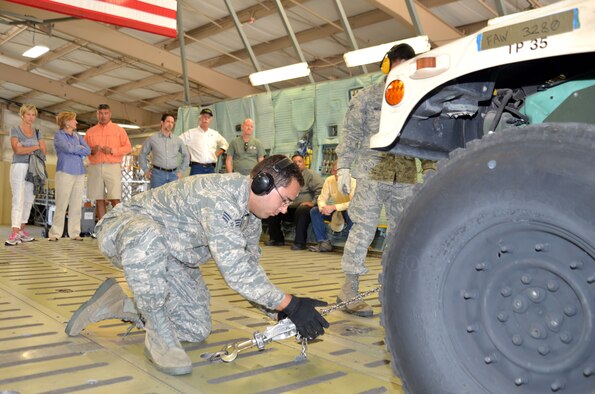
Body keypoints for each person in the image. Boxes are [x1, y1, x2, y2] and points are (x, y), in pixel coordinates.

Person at [64, 155, 329, 376]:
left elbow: (249, 270)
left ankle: (119, 304)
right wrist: (290, 303)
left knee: (195, 328)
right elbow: (235, 271)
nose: (285, 210)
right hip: (125, 234)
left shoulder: (251, 220)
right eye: (284, 200)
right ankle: (156, 331)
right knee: (147, 235)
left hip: (173, 256)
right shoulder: (219, 198)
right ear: (262, 184)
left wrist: (281, 310)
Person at [335, 44, 435, 317]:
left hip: (405, 175)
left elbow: (425, 138)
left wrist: (428, 168)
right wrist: (343, 166)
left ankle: (393, 288)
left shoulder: (417, 98)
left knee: (401, 233)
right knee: (363, 230)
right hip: (371, 172)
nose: (400, 68)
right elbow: (350, 134)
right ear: (387, 65)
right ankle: (349, 290)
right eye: (397, 63)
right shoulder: (367, 97)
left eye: (406, 63)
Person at [5, 103, 47, 246]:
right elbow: (17, 150)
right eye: (28, 114)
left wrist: (27, 147)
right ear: (22, 115)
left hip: (34, 169)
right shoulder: (15, 130)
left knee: (29, 199)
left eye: (33, 114)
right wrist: (35, 147)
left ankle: (22, 231)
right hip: (19, 166)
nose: (31, 117)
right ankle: (14, 233)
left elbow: (43, 151)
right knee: (18, 199)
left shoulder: (37, 132)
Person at [47, 112, 91, 242]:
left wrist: (75, 148)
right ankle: (55, 233)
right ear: (66, 122)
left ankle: (74, 232)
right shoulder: (58, 135)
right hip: (65, 172)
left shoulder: (77, 136)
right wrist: (79, 148)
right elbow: (67, 148)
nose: (76, 122)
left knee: (76, 204)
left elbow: (88, 150)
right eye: (74, 120)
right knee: (61, 203)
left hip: (79, 172)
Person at [265, 153, 323, 250]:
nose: (297, 164)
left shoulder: (311, 175)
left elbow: (321, 190)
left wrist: (313, 202)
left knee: (302, 209)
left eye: (300, 161)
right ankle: (277, 239)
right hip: (290, 208)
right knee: (273, 209)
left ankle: (300, 243)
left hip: (306, 209)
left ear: (304, 163)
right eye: (295, 162)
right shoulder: (288, 177)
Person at [84, 104, 131, 221]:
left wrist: (112, 150)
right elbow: (83, 150)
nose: (103, 116)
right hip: (95, 167)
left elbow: (128, 148)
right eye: (100, 113)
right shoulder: (90, 132)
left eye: (105, 113)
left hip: (113, 166)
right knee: (99, 198)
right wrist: (91, 150)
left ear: (110, 114)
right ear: (97, 114)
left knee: (115, 197)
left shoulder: (119, 130)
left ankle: (119, 225)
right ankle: (102, 227)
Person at [308, 162, 356, 252]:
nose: (336, 174)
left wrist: (334, 207)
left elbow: (353, 203)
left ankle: (352, 246)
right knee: (315, 211)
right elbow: (321, 198)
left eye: (339, 171)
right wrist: (323, 208)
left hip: (349, 211)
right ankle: (323, 242)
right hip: (337, 211)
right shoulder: (329, 180)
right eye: (334, 171)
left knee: (351, 213)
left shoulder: (353, 182)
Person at [139, 113, 189, 189]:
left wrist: (181, 171)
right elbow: (142, 154)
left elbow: (186, 155)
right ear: (162, 122)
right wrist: (146, 170)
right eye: (168, 121)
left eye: (172, 122)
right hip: (157, 175)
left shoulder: (178, 140)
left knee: (172, 198)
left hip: (173, 175)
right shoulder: (152, 139)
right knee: (156, 198)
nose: (170, 124)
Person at [180, 108, 228, 176]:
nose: (206, 119)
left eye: (208, 117)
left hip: (211, 168)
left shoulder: (214, 134)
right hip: (196, 168)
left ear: (210, 120)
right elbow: (178, 142)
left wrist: (217, 154)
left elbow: (225, 144)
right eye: (204, 117)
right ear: (200, 118)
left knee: (210, 187)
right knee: (196, 186)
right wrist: (186, 154)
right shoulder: (191, 133)